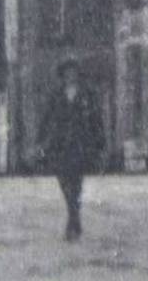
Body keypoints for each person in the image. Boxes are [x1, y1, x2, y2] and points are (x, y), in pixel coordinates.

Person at [37, 59, 105, 241]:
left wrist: (100, 142)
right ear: (63, 75)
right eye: (67, 72)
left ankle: (73, 220)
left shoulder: (87, 95)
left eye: (73, 72)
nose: (71, 75)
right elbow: (46, 118)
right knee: (63, 181)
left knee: (77, 183)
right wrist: (41, 139)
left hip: (80, 144)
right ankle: (73, 214)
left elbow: (96, 119)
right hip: (60, 145)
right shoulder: (56, 95)